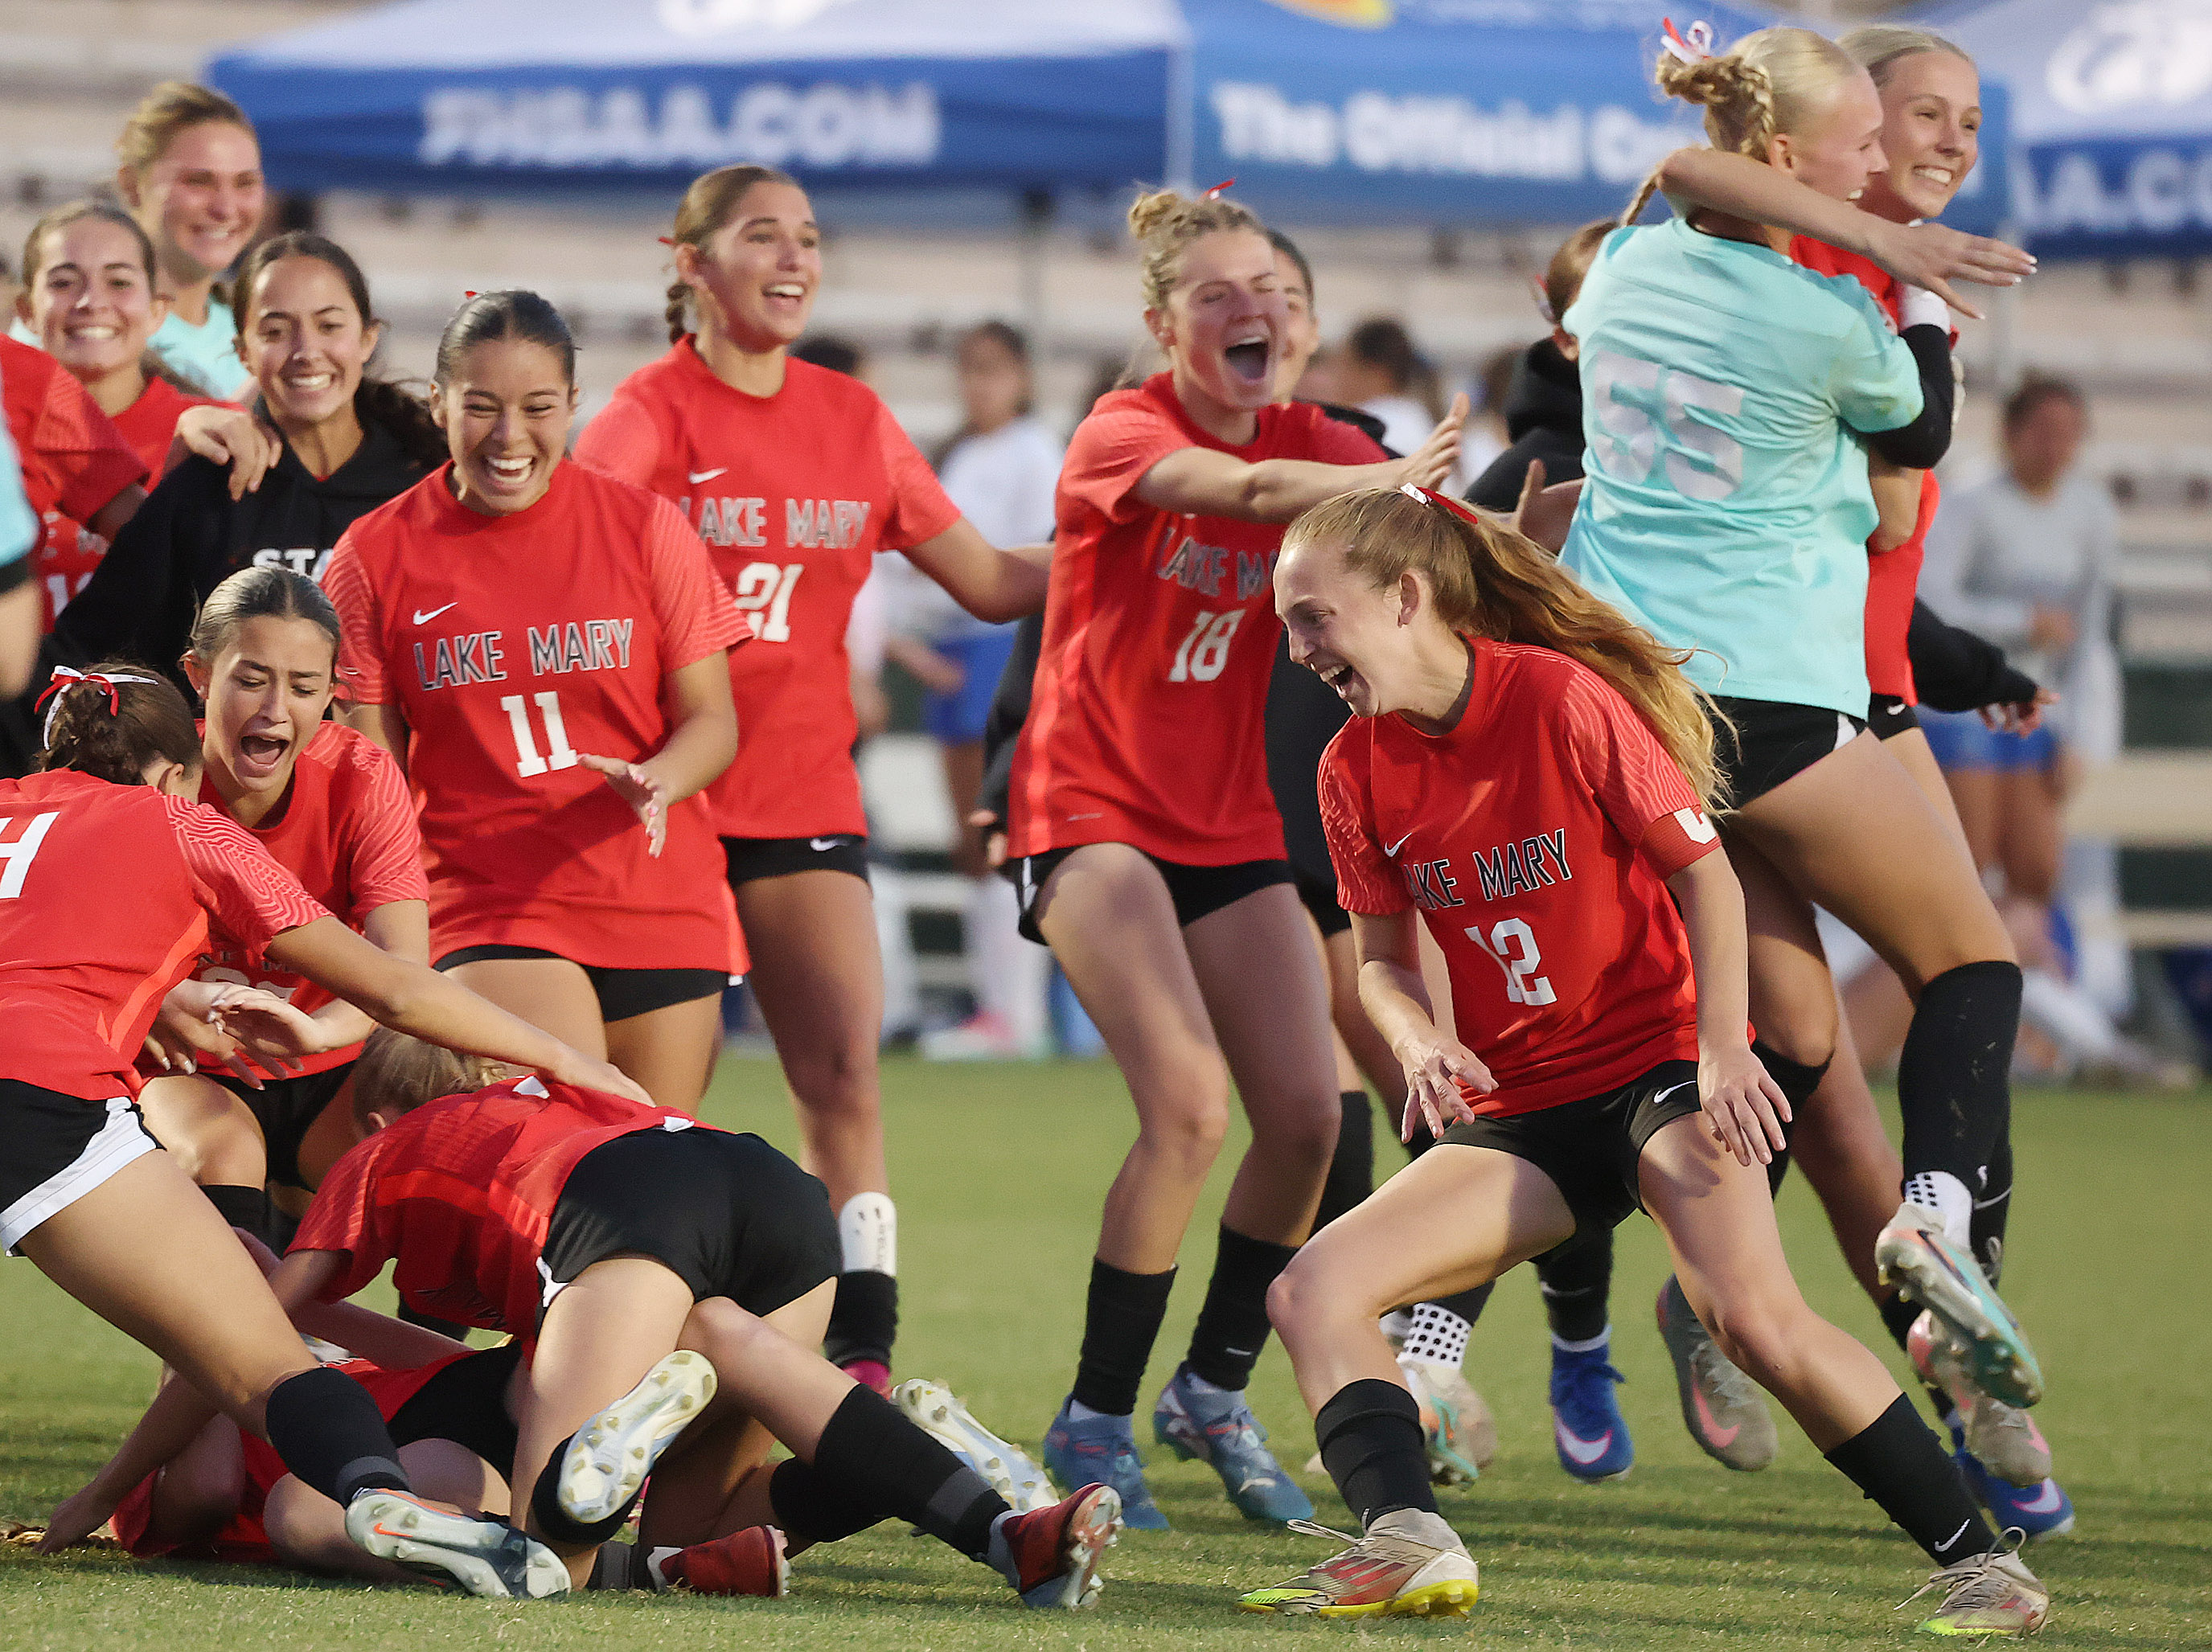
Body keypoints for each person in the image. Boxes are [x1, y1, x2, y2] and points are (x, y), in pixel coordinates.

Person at [1242, 486, 2048, 1638]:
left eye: (1312, 617)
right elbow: (1382, 963)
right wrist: (1418, 1039)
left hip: (1654, 1070)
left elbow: (1704, 876)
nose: (1299, 648)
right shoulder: (1349, 767)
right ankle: (1405, 1540)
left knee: (1752, 1321)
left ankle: (1984, 1564)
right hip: (1519, 1108)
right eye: (1287, 624)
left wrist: (1723, 1044)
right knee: (1309, 1287)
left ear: (1404, 595)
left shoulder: (1558, 698)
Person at [1613, 23, 2076, 1535]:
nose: (1919, 147)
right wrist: (1909, 261)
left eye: (1953, 120)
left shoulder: (1691, 257)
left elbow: (1672, 177)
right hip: (1803, 696)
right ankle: (1951, 1350)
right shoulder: (1853, 282)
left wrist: (1969, 663)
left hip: (1684, 695)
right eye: (1894, 121)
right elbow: (1893, 483)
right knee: (1953, 994)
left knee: (1800, 1056)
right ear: (1818, 150)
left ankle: (1872, 1359)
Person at [1007, 184, 1463, 1530]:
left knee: (1314, 1120)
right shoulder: (1124, 427)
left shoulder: (1320, 434)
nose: (1249, 307)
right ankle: (1092, 1416)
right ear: (1162, 328)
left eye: (1269, 287)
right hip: (1087, 809)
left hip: (1222, 824)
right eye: (1214, 295)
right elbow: (1254, 491)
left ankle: (1208, 1387)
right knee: (1192, 1104)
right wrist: (1394, 478)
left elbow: (1436, 552)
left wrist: (1520, 545)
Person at [0, 665, 650, 1597]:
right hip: (42, 1097)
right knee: (267, 1370)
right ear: (180, 772)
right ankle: (381, 1494)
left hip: (37, 1069)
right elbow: (396, 984)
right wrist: (566, 1061)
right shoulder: (183, 822)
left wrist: (159, 996)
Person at [572, 163, 1051, 1391]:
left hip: (801, 799)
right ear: (690, 262)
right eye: (759, 236)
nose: (793, 258)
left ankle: (865, 1360)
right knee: (641, 1106)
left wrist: (1142, 531)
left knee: (842, 1075)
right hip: (665, 805)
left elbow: (991, 581)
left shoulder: (852, 417)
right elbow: (567, 566)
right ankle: (610, 1355)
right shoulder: (645, 416)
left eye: (808, 237)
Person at [128, 1027, 1124, 1606]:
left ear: (375, 1118)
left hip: (608, 1232)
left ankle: (614, 1520)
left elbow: (229, 1394)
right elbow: (387, 1337)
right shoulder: (532, 1099)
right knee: (721, 1410)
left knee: (520, 1551)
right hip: (764, 1184)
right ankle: (999, 1527)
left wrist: (96, 1508)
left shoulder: (379, 1155)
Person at [323, 289, 743, 1114]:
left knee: (649, 1187)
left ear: (573, 406)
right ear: (439, 404)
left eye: (538, 408)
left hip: (660, 896)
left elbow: (714, 718)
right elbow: (369, 775)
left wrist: (658, 778)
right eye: (480, 408)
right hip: (487, 902)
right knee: (563, 1146)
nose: (509, 437)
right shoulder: (375, 555)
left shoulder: (646, 527)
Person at [129, 568, 425, 1249]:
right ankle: (231, 1346)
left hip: (331, 1061)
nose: (274, 710)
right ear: (199, 676)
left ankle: (492, 1357)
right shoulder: (147, 783)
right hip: (189, 1065)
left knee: (441, 1132)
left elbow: (404, 968)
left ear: (332, 692)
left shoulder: (363, 775)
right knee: (225, 1153)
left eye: (303, 686)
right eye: (251, 678)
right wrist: (161, 999)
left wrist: (319, 1032)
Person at [53, 232, 443, 688]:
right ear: (243, 352)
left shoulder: (430, 482)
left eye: (329, 325)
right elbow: (87, 656)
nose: (305, 352)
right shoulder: (206, 489)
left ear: (367, 338)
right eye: (275, 331)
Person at [903, 322, 1062, 1060]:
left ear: (1021, 376)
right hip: (952, 644)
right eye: (969, 369)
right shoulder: (958, 450)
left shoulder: (1033, 452)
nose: (979, 385)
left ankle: (1014, 1013)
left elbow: (1034, 556)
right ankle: (995, 1005)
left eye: (993, 370)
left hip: (997, 638)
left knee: (996, 822)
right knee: (968, 837)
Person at [11, 202, 275, 631]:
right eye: (63, 282)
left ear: (157, 310)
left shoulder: (220, 434)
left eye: (118, 281)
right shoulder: (6, 433)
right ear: (26, 311)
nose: (91, 302)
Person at [112, 81, 264, 400]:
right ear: (132, 185)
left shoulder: (260, 333)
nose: (225, 208)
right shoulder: (87, 329)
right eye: (199, 182)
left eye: (245, 184)